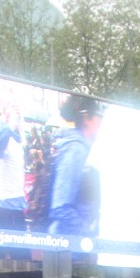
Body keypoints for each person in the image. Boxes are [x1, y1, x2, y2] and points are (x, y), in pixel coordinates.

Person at [48, 94, 104, 237]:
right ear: (86, 118)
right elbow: (61, 207)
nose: (101, 122)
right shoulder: (76, 150)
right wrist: (88, 235)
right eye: (99, 116)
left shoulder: (85, 148)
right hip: (69, 244)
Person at [0, 106, 27, 228]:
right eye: (16, 117)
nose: (18, 120)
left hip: (16, 203)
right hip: (0, 205)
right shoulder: (3, 136)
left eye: (20, 118)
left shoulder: (18, 141)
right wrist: (10, 126)